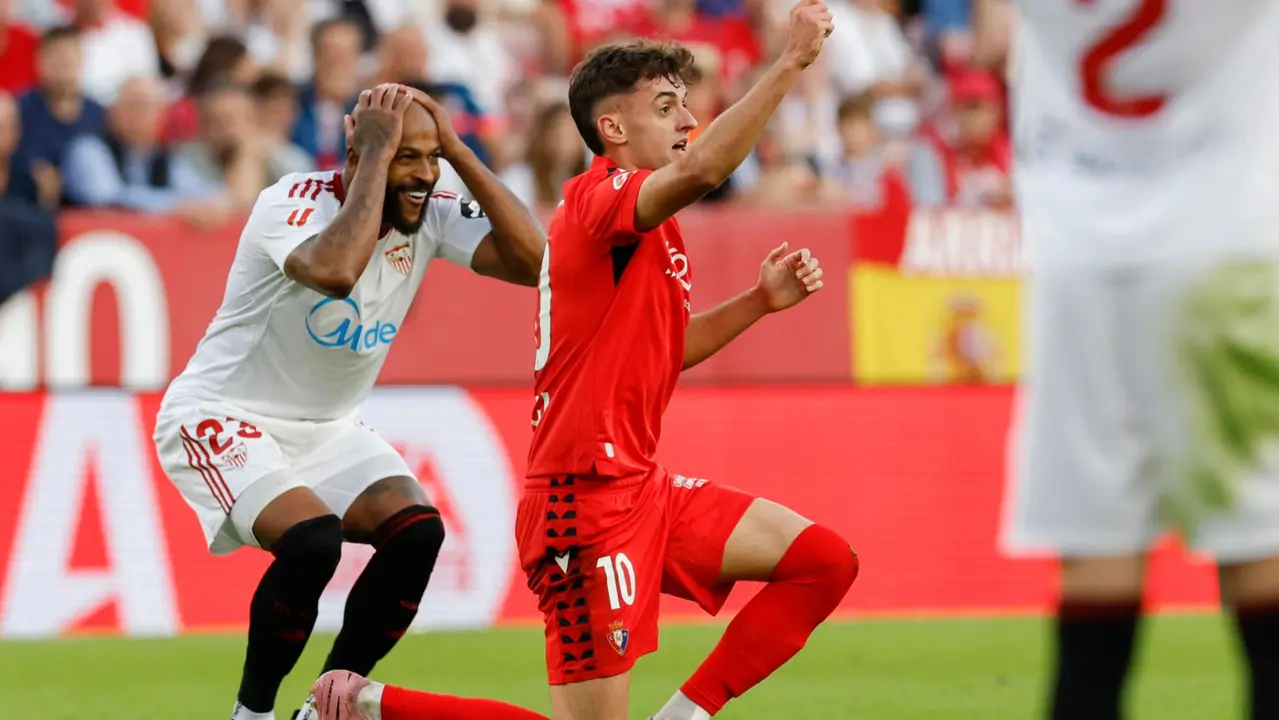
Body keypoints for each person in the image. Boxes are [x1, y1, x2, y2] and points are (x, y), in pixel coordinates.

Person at [307, 3, 858, 720]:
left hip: (640, 489)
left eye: (686, 105)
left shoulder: (649, 232)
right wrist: (787, 65)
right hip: (582, 504)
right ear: (613, 129)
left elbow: (662, 353)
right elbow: (706, 167)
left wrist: (756, 301)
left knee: (822, 560)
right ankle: (365, 707)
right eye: (667, 107)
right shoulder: (599, 200)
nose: (687, 120)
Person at [151, 83, 545, 720]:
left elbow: (537, 263)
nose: (421, 175)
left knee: (418, 533)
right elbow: (336, 271)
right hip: (221, 413)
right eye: (403, 157)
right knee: (312, 542)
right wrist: (373, 158)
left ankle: (325, 705)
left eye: (429, 156)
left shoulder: (434, 202)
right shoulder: (290, 201)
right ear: (358, 155)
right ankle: (250, 714)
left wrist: (460, 154)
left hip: (328, 428)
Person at [984, 0, 1279, 718]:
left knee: (1095, 564)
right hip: (1221, 248)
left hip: (1079, 260)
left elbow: (992, 41)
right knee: (1261, 553)